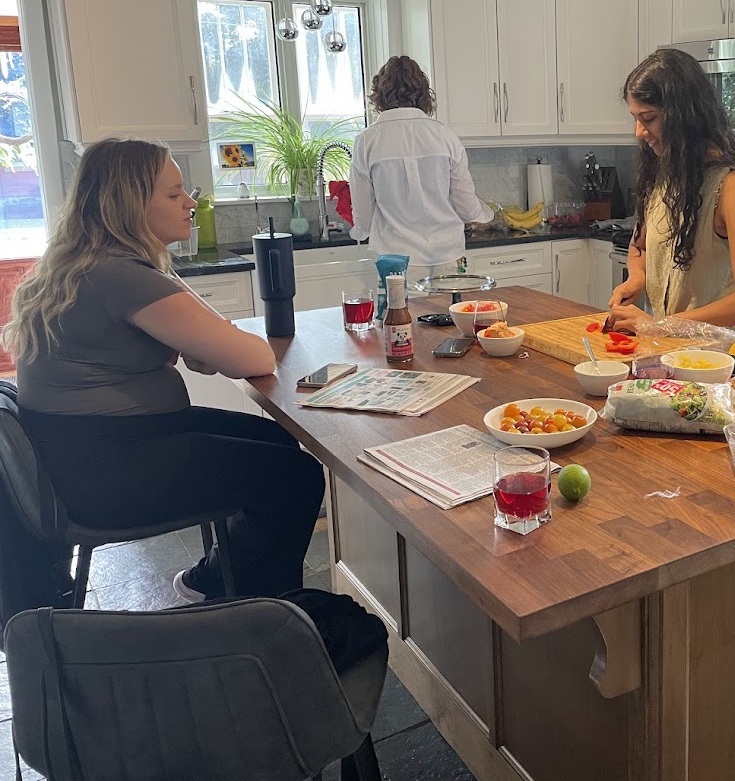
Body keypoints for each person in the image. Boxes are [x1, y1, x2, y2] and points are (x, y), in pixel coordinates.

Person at [3, 139, 325, 601]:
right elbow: (254, 358)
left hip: (85, 451)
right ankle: (263, 612)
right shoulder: (120, 275)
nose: (190, 203)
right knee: (295, 476)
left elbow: (213, 345)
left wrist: (205, 339)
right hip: (104, 469)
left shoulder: (93, 263)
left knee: (276, 441)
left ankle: (215, 580)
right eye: (174, 194)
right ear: (129, 204)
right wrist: (210, 344)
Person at [606, 49, 735, 333]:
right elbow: (639, 246)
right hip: (674, 347)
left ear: (685, 117)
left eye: (649, 118)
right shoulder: (663, 175)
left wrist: (660, 325)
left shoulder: (732, 186)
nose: (639, 132)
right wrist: (638, 277)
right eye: (635, 118)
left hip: (725, 352)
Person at [349, 56, 493, 279]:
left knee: (400, 305)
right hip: (447, 253)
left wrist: (361, 231)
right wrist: (485, 214)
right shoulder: (444, 136)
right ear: (424, 93)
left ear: (379, 94)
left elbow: (363, 216)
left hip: (395, 260)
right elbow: (466, 206)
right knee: (448, 304)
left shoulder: (367, 141)